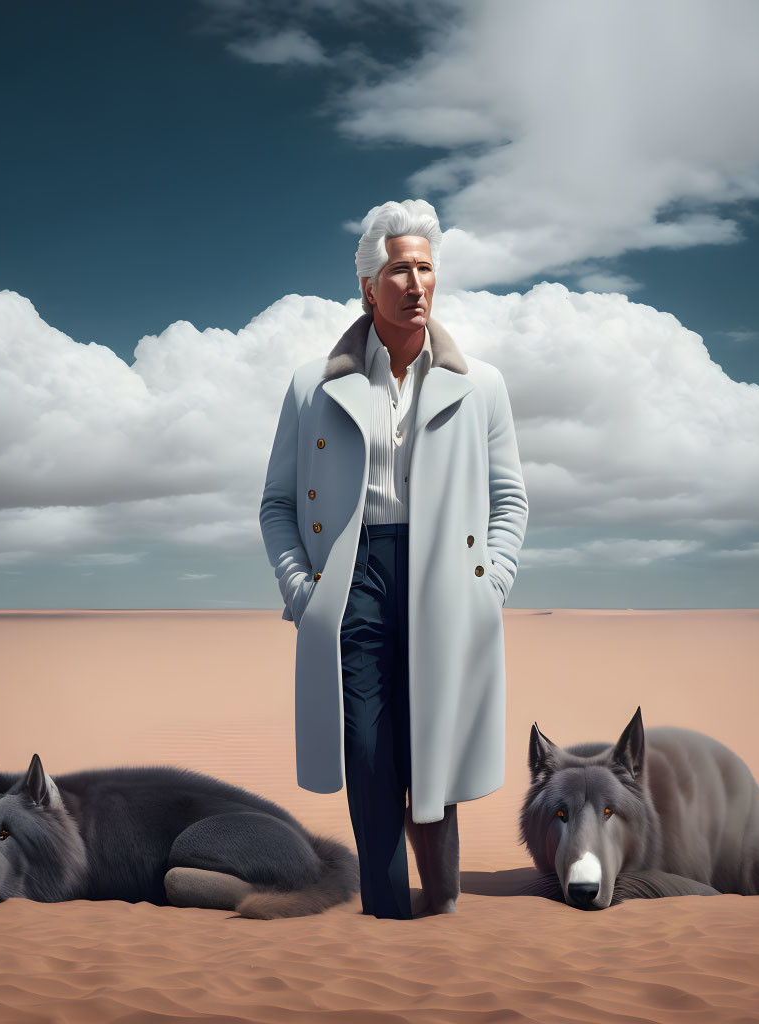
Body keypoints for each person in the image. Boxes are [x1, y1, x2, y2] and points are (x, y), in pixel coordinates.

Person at [259, 198, 528, 919]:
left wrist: (489, 585)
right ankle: (384, 912)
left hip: (444, 577)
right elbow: (278, 504)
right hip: (353, 579)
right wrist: (300, 590)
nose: (416, 282)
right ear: (368, 287)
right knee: (370, 754)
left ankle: (440, 914)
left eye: (426, 268)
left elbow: (511, 500)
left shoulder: (483, 386)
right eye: (399, 269)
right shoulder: (309, 386)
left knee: (431, 749)